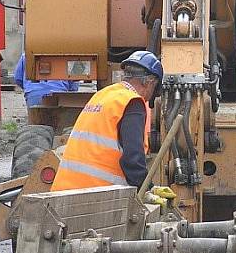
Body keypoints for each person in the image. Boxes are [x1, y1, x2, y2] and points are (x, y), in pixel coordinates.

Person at [51, 50, 162, 192]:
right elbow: (132, 162)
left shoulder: (103, 95)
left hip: (63, 191)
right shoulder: (132, 103)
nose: (150, 97)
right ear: (149, 82)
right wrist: (149, 190)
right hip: (95, 195)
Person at [13, 54, 79, 108]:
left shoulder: (26, 55)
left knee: (36, 122)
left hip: (34, 94)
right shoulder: (67, 55)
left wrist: (28, 88)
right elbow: (74, 85)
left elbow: (18, 78)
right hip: (60, 94)